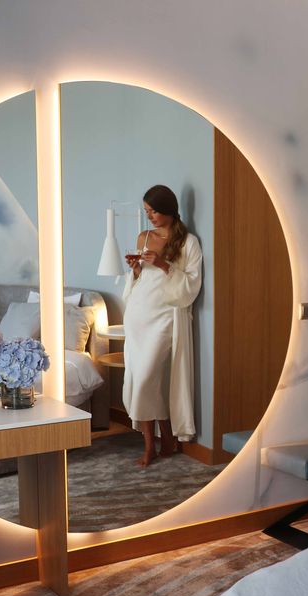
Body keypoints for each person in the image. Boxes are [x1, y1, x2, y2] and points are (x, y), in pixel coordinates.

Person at [122, 185, 203, 468]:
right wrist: (135, 269)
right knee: (142, 378)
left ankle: (159, 442)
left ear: (169, 209)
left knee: (147, 379)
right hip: (138, 313)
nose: (150, 217)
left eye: (154, 211)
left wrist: (163, 264)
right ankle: (157, 443)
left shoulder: (188, 242)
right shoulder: (144, 237)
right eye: (147, 211)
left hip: (165, 315)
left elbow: (192, 283)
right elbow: (140, 279)